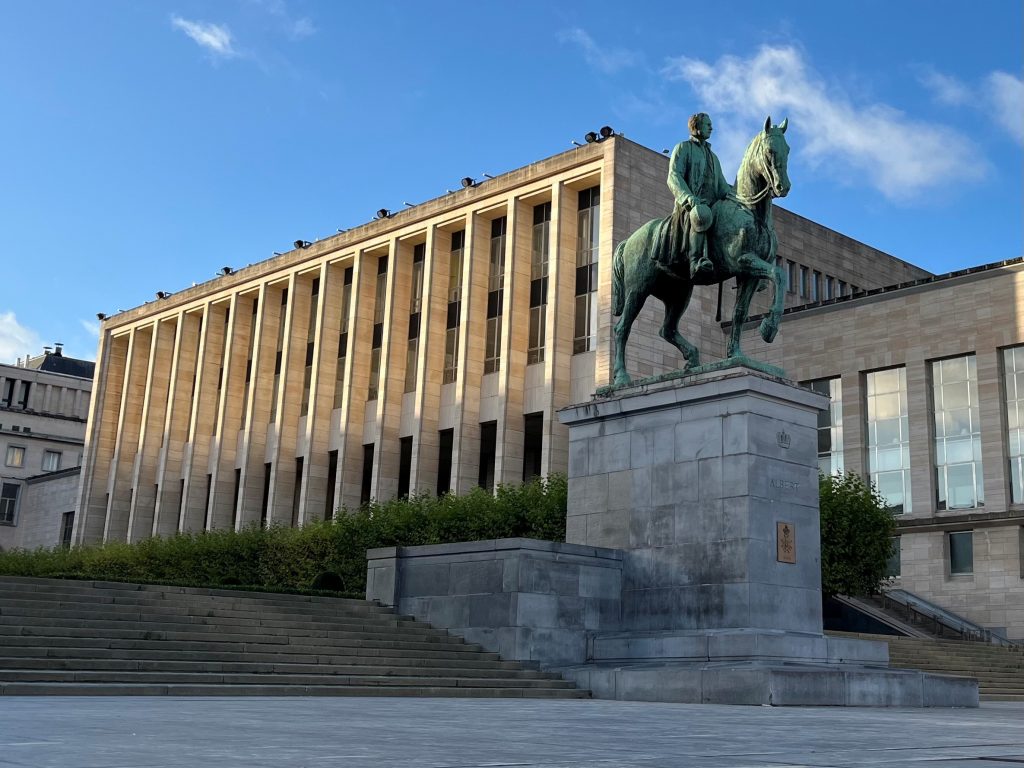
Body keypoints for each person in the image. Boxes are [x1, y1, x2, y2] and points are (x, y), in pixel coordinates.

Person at [663, 113, 734, 277]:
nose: (711, 128)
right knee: (701, 213)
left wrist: (740, 198)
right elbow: (673, 176)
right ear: (696, 126)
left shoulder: (713, 157)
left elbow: (722, 187)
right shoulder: (683, 147)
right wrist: (687, 197)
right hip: (691, 205)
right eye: (708, 124)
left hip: (712, 205)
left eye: (711, 125)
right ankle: (695, 261)